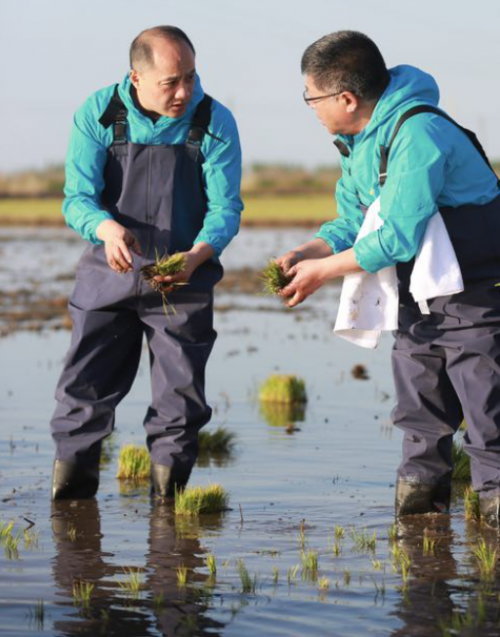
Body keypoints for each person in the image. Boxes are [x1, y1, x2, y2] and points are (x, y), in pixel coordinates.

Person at [277, 31, 500, 528]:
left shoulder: (418, 134)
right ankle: (421, 554)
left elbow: (396, 237)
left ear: (346, 98)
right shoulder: (359, 141)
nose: (310, 107)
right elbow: (356, 221)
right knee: (419, 420)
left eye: (310, 97)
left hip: (474, 297)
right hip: (416, 302)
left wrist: (322, 273)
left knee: (489, 422)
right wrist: (309, 252)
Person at [50, 26, 243, 500]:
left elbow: (225, 209)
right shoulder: (97, 114)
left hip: (186, 280)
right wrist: (106, 228)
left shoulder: (215, 121)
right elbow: (77, 199)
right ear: (136, 77)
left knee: (180, 401)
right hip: (107, 275)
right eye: (171, 82)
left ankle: (169, 529)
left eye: (192, 78)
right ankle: (72, 518)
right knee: (83, 391)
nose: (184, 93)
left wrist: (198, 254)